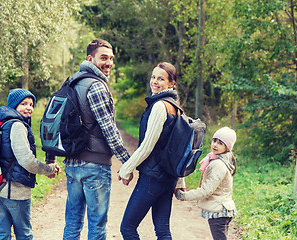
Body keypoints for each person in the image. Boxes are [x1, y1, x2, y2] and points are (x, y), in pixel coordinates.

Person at [45, 39, 131, 240]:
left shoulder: (71, 82)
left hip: (73, 165)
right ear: (90, 59)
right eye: (103, 58)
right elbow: (109, 129)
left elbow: (53, 122)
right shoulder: (97, 86)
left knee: (73, 222)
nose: (108, 63)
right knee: (97, 226)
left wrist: (51, 158)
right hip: (95, 166)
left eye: (111, 58)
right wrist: (128, 162)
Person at [118, 62, 181, 239]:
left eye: (161, 78)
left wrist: (126, 168)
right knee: (162, 230)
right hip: (168, 178)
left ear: (171, 83)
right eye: (153, 77)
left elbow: (147, 146)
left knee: (128, 228)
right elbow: (176, 150)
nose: (154, 81)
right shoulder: (176, 108)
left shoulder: (160, 106)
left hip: (152, 178)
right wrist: (180, 182)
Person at [0, 88, 60, 240]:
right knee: (24, 234)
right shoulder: (17, 125)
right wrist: (49, 169)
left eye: (31, 104)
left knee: (1, 234)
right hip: (16, 191)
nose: (29, 108)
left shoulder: (0, 123)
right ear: (14, 105)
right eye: (24, 103)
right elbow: (26, 160)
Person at [175, 127, 238, 240]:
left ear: (227, 147)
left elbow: (207, 190)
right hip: (222, 209)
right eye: (214, 140)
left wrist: (185, 196)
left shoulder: (218, 164)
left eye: (220, 143)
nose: (215, 145)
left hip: (219, 210)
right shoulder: (219, 159)